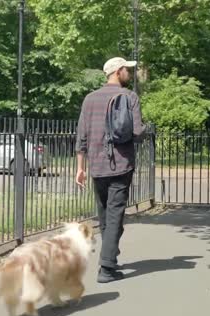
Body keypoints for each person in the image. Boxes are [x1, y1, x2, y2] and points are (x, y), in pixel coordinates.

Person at [75, 57, 147, 283]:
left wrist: (80, 168)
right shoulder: (129, 96)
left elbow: (81, 136)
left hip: (96, 165)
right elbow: (136, 132)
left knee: (105, 214)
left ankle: (111, 261)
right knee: (115, 214)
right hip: (121, 164)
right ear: (118, 71)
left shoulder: (89, 99)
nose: (129, 73)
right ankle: (106, 267)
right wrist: (146, 130)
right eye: (127, 69)